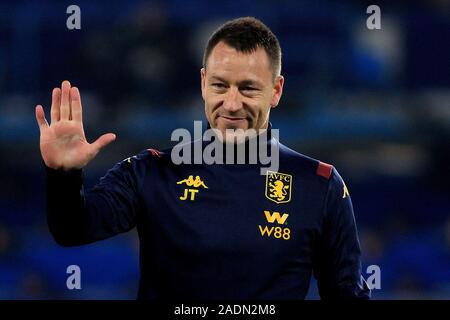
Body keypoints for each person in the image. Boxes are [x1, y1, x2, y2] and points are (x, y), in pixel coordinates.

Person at [35, 17, 370, 299]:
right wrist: (63, 174)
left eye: (248, 89)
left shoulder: (319, 185)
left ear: (276, 90)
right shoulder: (151, 172)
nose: (232, 103)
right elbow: (72, 230)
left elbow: (347, 294)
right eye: (220, 86)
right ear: (202, 83)